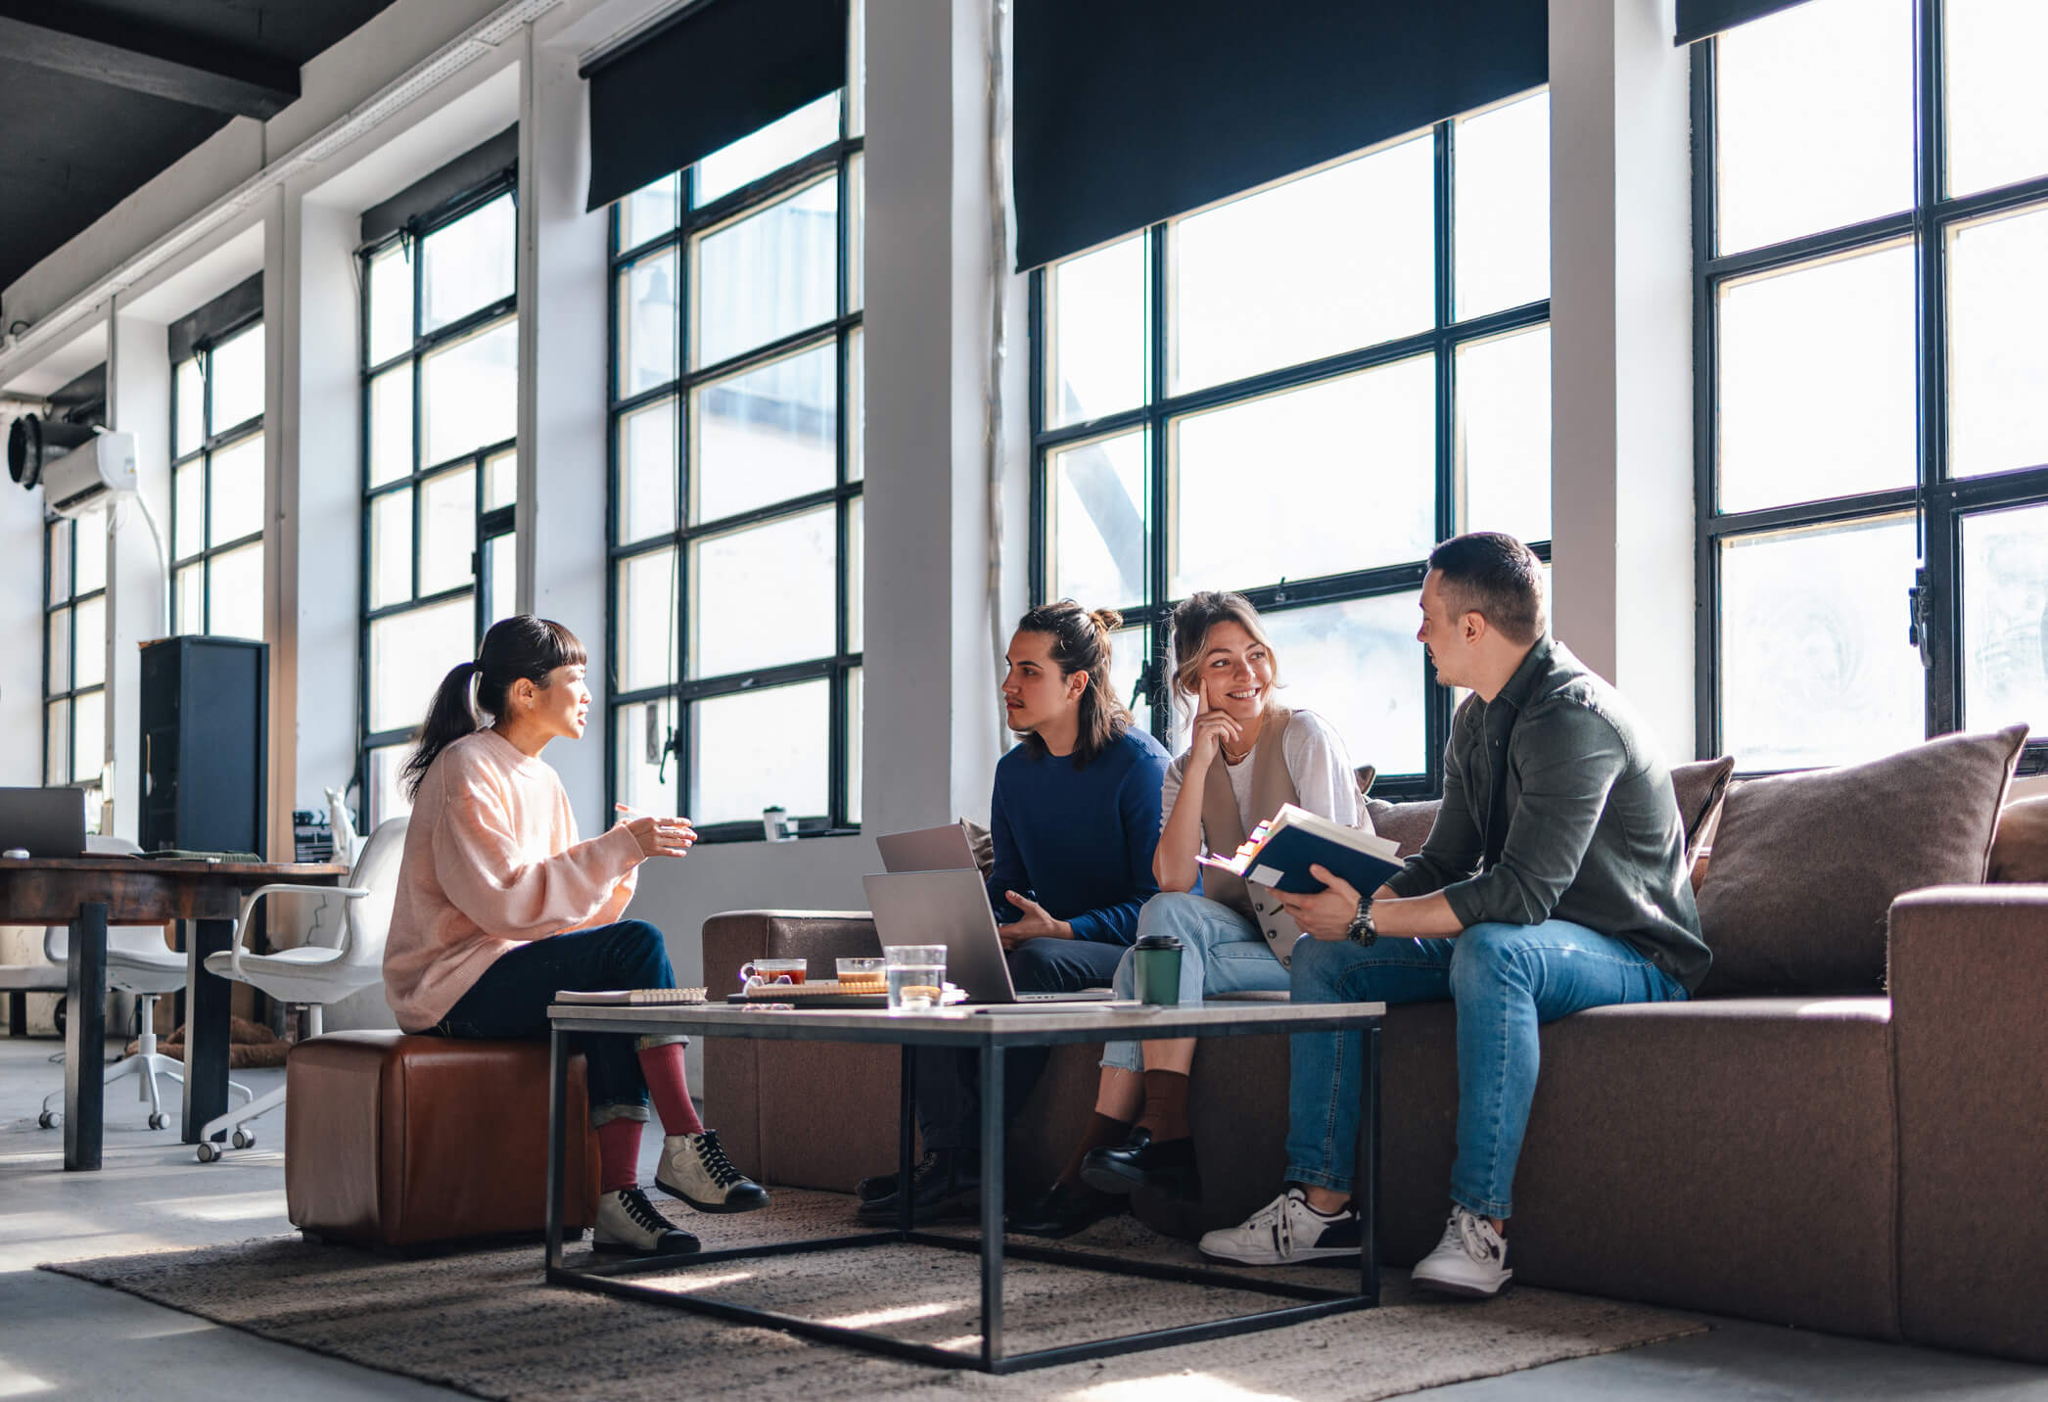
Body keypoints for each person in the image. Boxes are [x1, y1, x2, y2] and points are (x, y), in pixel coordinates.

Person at [1197, 534, 1710, 1296]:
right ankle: (1320, 1209)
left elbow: (1519, 896)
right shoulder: (1477, 720)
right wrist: (1345, 893)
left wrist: (1367, 919)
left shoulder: (1574, 717)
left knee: (1493, 950)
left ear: (1473, 627)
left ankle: (1481, 1226)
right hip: (1532, 939)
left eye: (1427, 616)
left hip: (1633, 955)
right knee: (1324, 959)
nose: (1418, 634)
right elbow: (1444, 865)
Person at [382, 615, 768, 1257]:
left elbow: (567, 922)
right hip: (449, 987)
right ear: (526, 693)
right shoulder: (466, 765)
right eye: (576, 679)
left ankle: (617, 1201)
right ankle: (686, 1141)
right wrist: (613, 849)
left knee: (614, 994)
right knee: (637, 948)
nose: (587, 694)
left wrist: (625, 857)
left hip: (507, 970)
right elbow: (506, 902)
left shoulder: (545, 780)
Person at [1009, 590, 1365, 1239]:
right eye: (1223, 663)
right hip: (1255, 950)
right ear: (1192, 680)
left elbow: (1343, 873)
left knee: (1146, 965)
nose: (1248, 674)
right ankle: (1158, 1134)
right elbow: (1170, 882)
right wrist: (1201, 762)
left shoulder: (1302, 734)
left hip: (1326, 952)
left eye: (1255, 656)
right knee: (1165, 925)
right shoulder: (1181, 770)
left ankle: (1110, 1155)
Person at [855, 602, 1171, 1225]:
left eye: (1028, 671)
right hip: (1043, 936)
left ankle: (960, 1161)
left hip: (1121, 946)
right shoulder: (1015, 772)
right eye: (1009, 668)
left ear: (1076, 684)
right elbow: (1010, 881)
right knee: (932, 966)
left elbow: (1157, 902)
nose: (1008, 685)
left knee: (1044, 958)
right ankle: (953, 1157)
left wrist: (1065, 928)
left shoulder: (1140, 765)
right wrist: (972, 920)